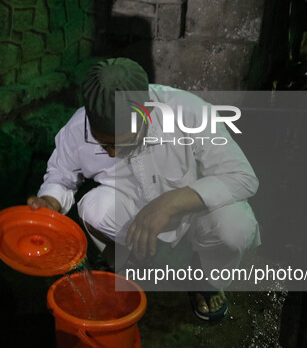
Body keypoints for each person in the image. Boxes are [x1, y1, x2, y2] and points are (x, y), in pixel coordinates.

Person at [27, 58, 260, 321]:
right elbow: (60, 175)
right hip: (132, 209)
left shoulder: (188, 111)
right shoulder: (77, 127)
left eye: (124, 143)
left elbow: (243, 177)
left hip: (193, 211)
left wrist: (170, 202)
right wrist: (50, 200)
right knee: (93, 208)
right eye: (105, 146)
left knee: (236, 226)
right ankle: (125, 265)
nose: (113, 153)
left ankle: (207, 280)